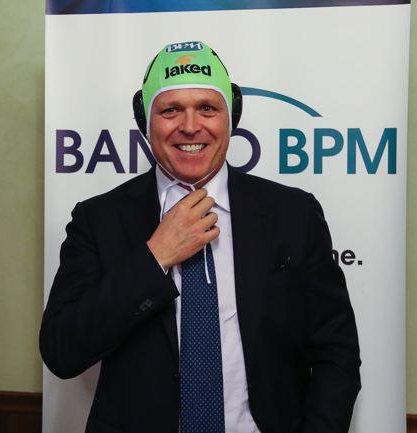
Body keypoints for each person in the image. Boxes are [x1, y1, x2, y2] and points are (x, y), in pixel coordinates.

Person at [40, 41, 361, 433]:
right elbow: (62, 351)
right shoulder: (98, 220)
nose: (190, 126)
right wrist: (155, 256)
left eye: (207, 108)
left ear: (231, 118)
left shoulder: (294, 214)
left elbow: (336, 350)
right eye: (170, 110)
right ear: (146, 121)